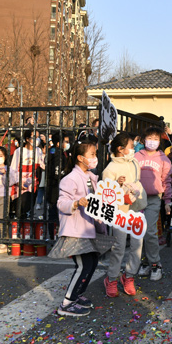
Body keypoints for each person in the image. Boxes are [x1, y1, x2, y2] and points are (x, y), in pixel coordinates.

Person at [48, 139, 109, 317]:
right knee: (84, 265)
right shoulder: (70, 179)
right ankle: (67, 303)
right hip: (76, 230)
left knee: (92, 263)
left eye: (95, 154)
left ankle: (77, 295)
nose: (95, 158)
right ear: (80, 158)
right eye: (92, 155)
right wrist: (76, 203)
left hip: (88, 228)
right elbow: (61, 203)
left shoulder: (91, 177)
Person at [103, 133, 147, 297]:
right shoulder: (110, 169)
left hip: (136, 209)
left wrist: (136, 192)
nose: (133, 148)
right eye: (130, 146)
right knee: (119, 247)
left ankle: (129, 277)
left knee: (137, 246)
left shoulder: (135, 162)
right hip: (119, 212)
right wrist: (117, 185)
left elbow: (137, 181)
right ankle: (112, 278)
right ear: (120, 149)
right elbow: (106, 194)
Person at [134, 126, 172, 281]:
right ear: (144, 140)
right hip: (137, 199)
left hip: (153, 199)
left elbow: (167, 181)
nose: (152, 142)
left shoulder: (164, 159)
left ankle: (156, 264)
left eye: (156, 139)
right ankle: (145, 262)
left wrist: (167, 202)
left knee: (150, 231)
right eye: (150, 138)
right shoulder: (137, 156)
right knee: (139, 233)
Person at [10, 130, 45, 221]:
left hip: (33, 184)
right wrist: (18, 181)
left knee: (30, 207)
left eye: (38, 137)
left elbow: (42, 165)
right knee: (20, 209)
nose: (36, 139)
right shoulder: (19, 151)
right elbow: (13, 169)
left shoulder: (38, 150)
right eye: (34, 137)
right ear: (27, 139)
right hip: (20, 184)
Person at [47, 132, 72, 239]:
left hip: (53, 187)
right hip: (55, 188)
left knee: (54, 214)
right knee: (55, 214)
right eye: (65, 142)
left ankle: (54, 235)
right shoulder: (57, 154)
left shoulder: (55, 151)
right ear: (58, 143)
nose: (67, 144)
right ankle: (54, 236)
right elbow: (57, 172)